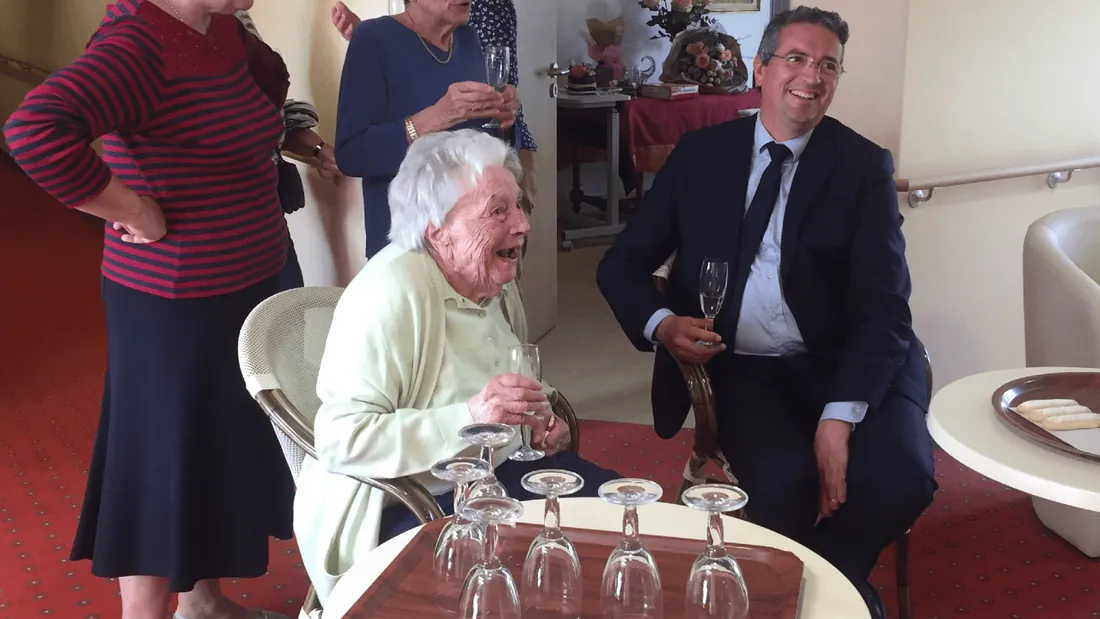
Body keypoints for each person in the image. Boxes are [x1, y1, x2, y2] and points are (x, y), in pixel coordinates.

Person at [595, 7, 936, 619]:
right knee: (781, 486)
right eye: (797, 59)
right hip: (744, 366)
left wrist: (840, 417)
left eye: (829, 65)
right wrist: (662, 325)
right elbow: (619, 265)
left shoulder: (861, 167)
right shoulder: (701, 155)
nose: (813, 76)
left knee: (900, 479)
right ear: (761, 67)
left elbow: (886, 309)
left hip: (850, 360)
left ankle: (814, 586)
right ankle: (828, 593)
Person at [2, 1, 296, 617]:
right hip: (176, 306)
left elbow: (269, 78)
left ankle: (202, 603)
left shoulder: (219, 31)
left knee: (212, 456)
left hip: (241, 287)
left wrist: (271, 136)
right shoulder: (140, 44)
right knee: (160, 468)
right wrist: (133, 208)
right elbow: (33, 130)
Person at [294, 129, 621, 604]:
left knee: (622, 519)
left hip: (496, 477)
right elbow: (342, 440)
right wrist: (473, 417)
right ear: (436, 228)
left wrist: (539, 422)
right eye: (498, 211)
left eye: (519, 205)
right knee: (522, 589)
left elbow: (504, 372)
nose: (523, 224)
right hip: (408, 502)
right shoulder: (390, 295)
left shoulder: (491, 277)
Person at [331, 0, 520, 258]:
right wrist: (438, 116)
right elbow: (351, 153)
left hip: (473, 236)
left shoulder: (468, 38)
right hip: (410, 239)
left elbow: (478, 137)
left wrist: (503, 114)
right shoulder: (373, 39)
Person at [236, 10, 340, 291]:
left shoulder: (237, 21)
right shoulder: (150, 33)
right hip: (216, 230)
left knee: (285, 315)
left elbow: (272, 112)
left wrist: (322, 152)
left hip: (267, 213)